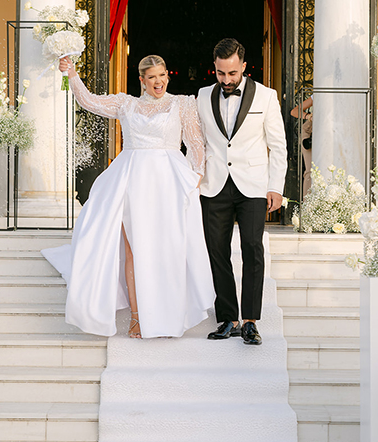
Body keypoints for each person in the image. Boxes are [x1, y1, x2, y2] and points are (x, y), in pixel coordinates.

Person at [42, 55, 214, 339]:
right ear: (142, 80)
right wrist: (71, 74)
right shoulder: (126, 104)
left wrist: (194, 178)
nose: (158, 81)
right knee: (134, 249)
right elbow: (89, 101)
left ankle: (169, 316)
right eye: (152, 77)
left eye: (162, 75)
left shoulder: (182, 103)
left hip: (170, 183)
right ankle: (137, 316)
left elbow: (195, 143)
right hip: (131, 179)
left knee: (168, 248)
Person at [197, 38, 287, 346]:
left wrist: (275, 187)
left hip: (253, 185)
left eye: (232, 73)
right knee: (217, 251)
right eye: (221, 73)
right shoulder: (202, 96)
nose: (226, 80)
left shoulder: (266, 96)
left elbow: (278, 146)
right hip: (214, 184)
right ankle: (228, 319)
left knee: (252, 248)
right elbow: (197, 143)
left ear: (244, 67)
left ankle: (250, 321)